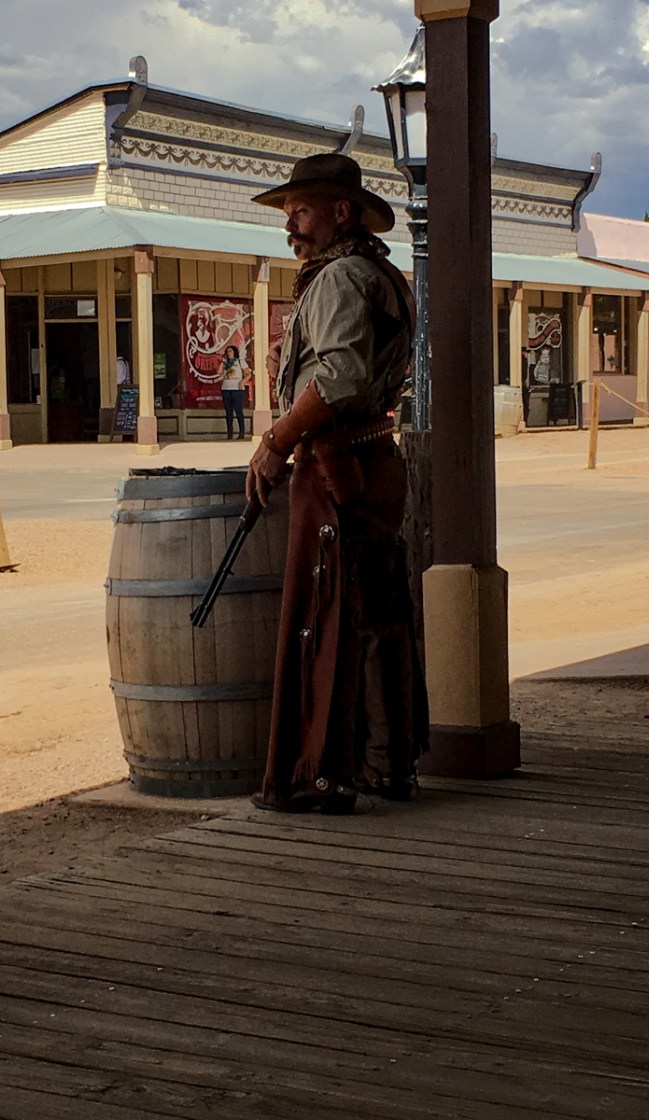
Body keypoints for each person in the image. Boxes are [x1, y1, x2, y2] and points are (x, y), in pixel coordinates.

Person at [246, 152, 428, 814]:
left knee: (329, 618)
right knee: (378, 615)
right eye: (289, 211)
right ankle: (389, 764)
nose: (289, 224)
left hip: (337, 464)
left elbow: (342, 380)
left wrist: (275, 441)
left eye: (301, 210)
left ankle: (326, 775)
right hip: (369, 459)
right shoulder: (373, 272)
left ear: (341, 212)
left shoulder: (341, 279)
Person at [218, 344, 251, 440]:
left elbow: (248, 374)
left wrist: (243, 381)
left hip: (237, 389)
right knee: (228, 412)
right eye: (227, 352)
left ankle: (241, 432)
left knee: (238, 411)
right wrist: (222, 362)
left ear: (234, 352)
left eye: (230, 351)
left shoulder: (240, 362)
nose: (228, 353)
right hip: (226, 389)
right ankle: (230, 433)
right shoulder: (225, 363)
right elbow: (219, 372)